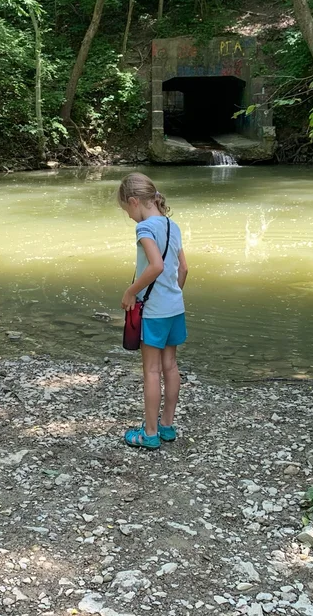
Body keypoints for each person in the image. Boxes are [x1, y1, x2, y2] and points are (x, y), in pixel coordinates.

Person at [118, 173, 189, 450]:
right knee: (170, 366)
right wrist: (173, 295)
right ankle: (167, 427)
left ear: (135, 202)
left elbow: (156, 265)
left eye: (128, 211)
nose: (131, 218)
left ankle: (149, 434)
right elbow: (183, 269)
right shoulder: (174, 226)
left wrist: (131, 291)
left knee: (151, 371)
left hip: (155, 312)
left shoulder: (145, 229)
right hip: (175, 308)